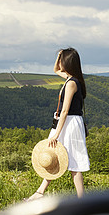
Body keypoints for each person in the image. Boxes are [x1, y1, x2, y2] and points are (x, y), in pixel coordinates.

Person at [27, 48, 89, 199]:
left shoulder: (71, 83)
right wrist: (60, 54)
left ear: (67, 63)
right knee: (53, 156)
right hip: (67, 121)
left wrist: (56, 134)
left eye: (61, 60)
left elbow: (65, 111)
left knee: (74, 161)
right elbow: (55, 69)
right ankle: (40, 192)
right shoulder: (71, 79)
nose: (59, 63)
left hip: (70, 122)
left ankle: (81, 199)